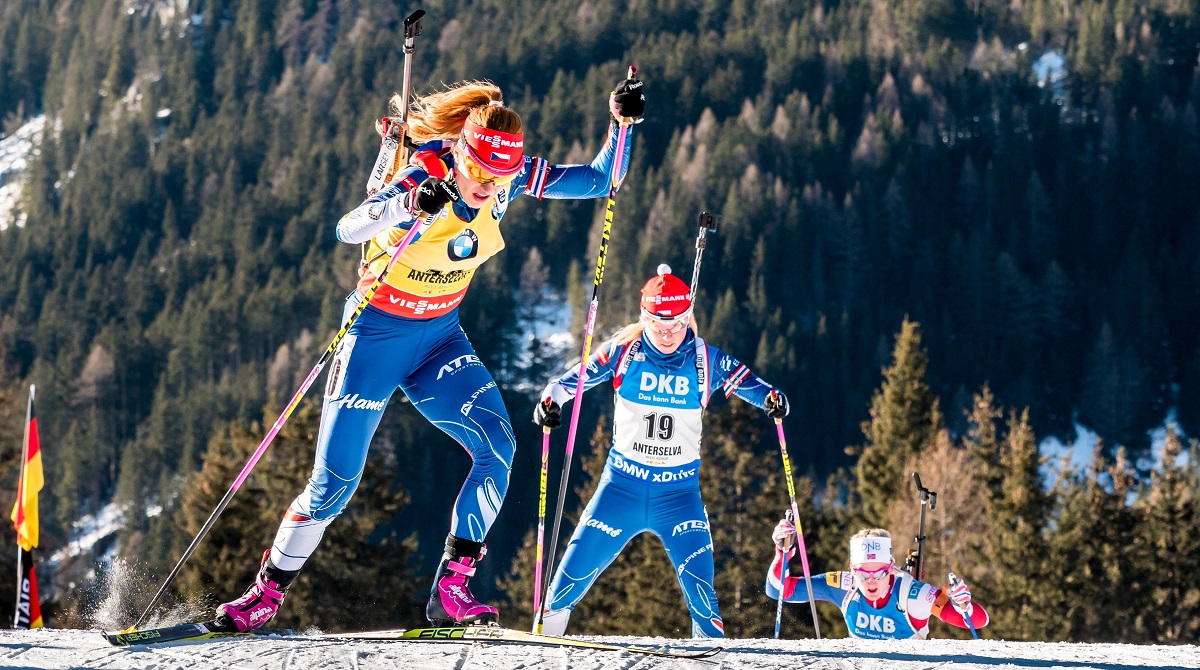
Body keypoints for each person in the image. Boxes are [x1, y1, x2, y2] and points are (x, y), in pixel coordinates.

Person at [214, 75, 647, 632]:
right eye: (483, 175)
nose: (492, 188)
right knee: (334, 484)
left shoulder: (508, 178)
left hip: (439, 337)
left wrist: (621, 124)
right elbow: (349, 228)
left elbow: (600, 180)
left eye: (504, 177)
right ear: (463, 154)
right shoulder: (427, 173)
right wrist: (406, 203)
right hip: (374, 336)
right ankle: (265, 594)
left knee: (498, 448)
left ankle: (452, 587)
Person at [534, 266, 791, 639]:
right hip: (621, 488)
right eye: (658, 325)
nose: (668, 334)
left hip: (679, 495)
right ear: (644, 318)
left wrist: (772, 399)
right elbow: (571, 380)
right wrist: (549, 400)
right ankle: (543, 645)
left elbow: (752, 384)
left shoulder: (706, 360)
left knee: (703, 597)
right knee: (566, 584)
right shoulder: (624, 352)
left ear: (689, 317)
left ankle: (709, 656)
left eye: (677, 324)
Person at [765, 522, 989, 639]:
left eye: (880, 573)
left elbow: (978, 622)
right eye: (862, 574)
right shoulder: (844, 586)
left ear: (891, 569)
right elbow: (779, 592)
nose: (871, 582)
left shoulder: (914, 596)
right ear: (852, 570)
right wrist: (782, 552)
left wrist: (964, 606)